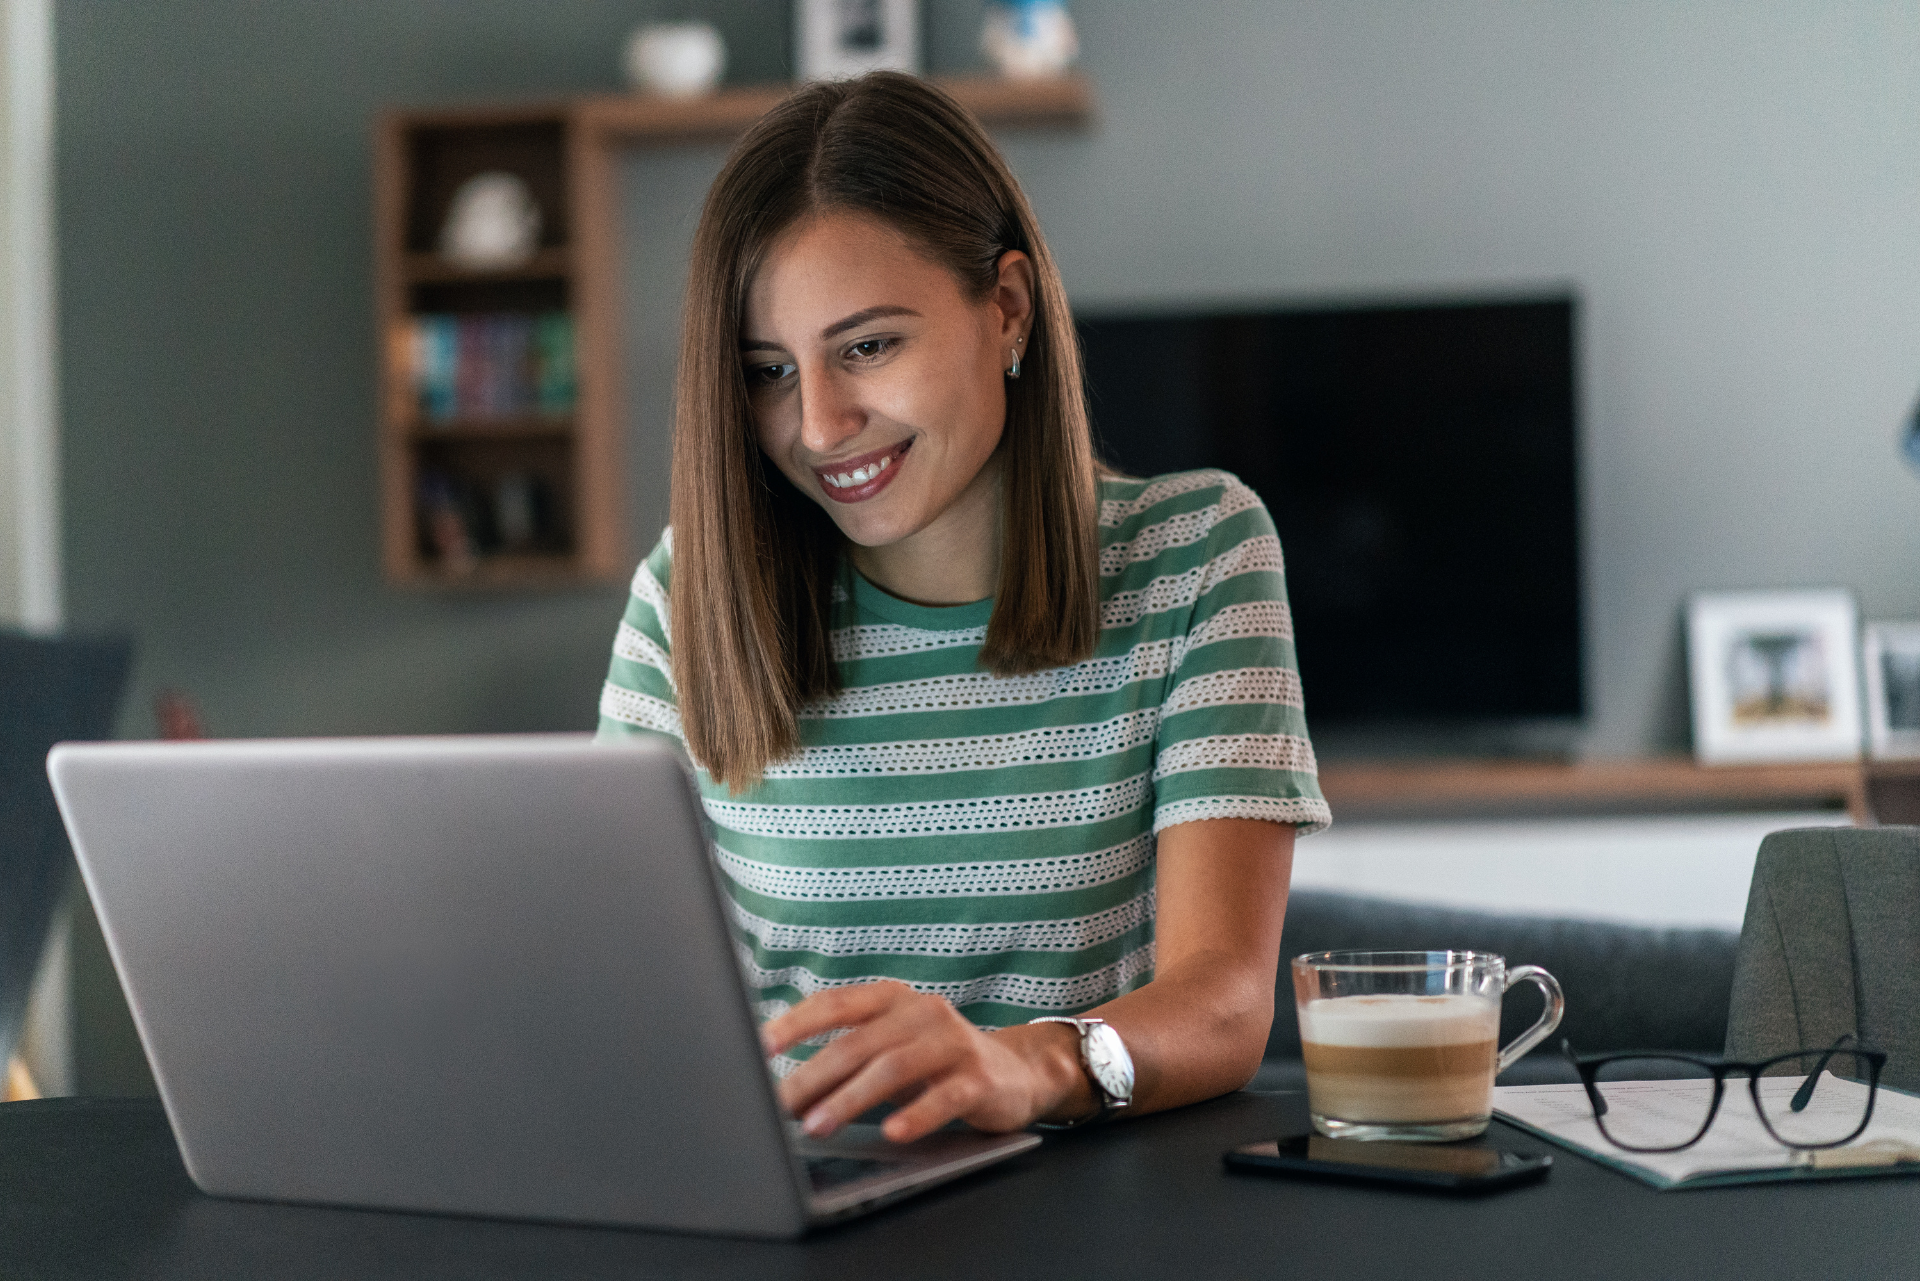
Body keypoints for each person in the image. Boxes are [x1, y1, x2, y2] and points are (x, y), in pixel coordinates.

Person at [597, 71, 1328, 1144]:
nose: (820, 424)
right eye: (768, 371)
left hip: (1078, 1208)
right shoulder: (685, 598)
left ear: (1008, 308)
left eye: (869, 346)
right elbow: (619, 1003)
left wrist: (1027, 1067)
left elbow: (1221, 1002)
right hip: (790, 1206)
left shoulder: (1198, 555)